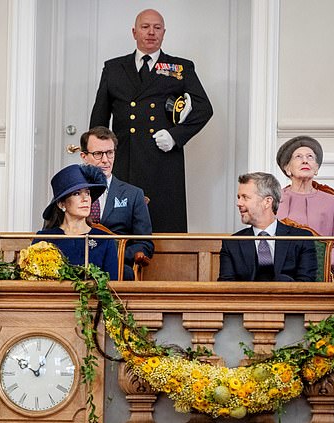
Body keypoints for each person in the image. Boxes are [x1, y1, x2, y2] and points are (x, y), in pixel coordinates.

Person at [89, 8, 213, 233]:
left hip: (163, 160)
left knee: (163, 223)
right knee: (119, 224)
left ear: (164, 33)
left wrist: (176, 136)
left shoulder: (179, 67)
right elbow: (100, 116)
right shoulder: (114, 68)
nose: (151, 33)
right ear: (134, 32)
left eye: (157, 28)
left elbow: (204, 108)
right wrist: (96, 155)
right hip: (124, 157)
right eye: (145, 27)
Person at [79, 126, 153, 280]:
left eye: (110, 153)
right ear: (84, 156)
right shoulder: (70, 192)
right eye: (98, 154)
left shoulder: (133, 194)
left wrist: (112, 253)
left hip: (116, 267)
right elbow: (53, 232)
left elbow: (145, 243)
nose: (105, 160)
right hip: (76, 263)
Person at [218, 172, 317, 282]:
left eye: (245, 197)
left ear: (267, 201)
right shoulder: (232, 243)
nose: (239, 203)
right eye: (239, 197)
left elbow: (306, 286)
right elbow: (226, 287)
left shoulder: (301, 239)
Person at [275, 135, 334, 273]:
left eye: (310, 157)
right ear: (287, 168)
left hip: (320, 270)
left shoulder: (332, 202)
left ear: (316, 168)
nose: (305, 161)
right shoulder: (275, 199)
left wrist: (323, 262)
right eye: (298, 157)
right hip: (281, 270)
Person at [36, 164, 118, 280]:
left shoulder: (104, 240)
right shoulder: (44, 239)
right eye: (77, 193)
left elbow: (113, 286)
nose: (85, 198)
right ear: (61, 204)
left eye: (88, 193)